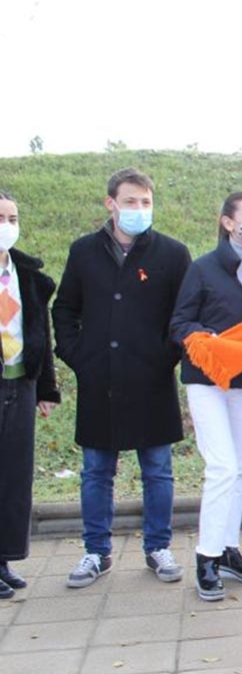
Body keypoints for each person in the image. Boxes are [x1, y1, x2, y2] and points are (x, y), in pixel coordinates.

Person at [52, 168, 192, 588]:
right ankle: (96, 551)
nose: (138, 209)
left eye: (146, 202)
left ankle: (158, 547)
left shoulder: (172, 254)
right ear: (110, 204)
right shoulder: (84, 252)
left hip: (151, 379)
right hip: (101, 381)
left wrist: (165, 356)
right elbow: (65, 309)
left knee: (158, 470)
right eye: (130, 201)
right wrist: (78, 356)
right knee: (96, 470)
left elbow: (183, 315)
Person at [170, 192, 242, 601]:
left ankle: (229, 549)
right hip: (207, 381)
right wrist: (203, 340)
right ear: (228, 222)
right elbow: (179, 322)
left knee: (240, 467)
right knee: (222, 465)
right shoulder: (203, 268)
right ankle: (206, 557)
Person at [0, 193, 60, 600]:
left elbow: (40, 332)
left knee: (13, 477)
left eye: (12, 216)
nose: (7, 222)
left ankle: (4, 558)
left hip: (19, 382)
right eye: (0, 216)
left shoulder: (26, 273)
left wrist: (45, 388)